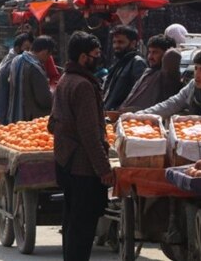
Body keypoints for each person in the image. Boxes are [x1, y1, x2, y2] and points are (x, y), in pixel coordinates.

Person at [47, 31, 113, 261]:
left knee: (72, 224)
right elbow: (89, 133)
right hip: (82, 168)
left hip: (67, 163)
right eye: (95, 54)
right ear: (84, 57)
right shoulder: (83, 85)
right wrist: (104, 169)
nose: (99, 58)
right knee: (82, 228)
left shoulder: (65, 80)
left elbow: (53, 123)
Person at [120, 34, 182, 111]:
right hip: (129, 119)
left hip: (148, 120)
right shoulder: (148, 72)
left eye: (155, 52)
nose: (150, 57)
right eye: (149, 52)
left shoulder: (167, 76)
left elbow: (172, 54)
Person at [6, 35, 55, 123]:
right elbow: (44, 100)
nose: (48, 59)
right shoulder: (35, 68)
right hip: (31, 119)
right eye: (49, 55)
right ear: (45, 52)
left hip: (15, 114)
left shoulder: (16, 60)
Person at [102, 25, 147, 110]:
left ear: (133, 43)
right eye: (114, 42)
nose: (116, 46)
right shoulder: (120, 62)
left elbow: (138, 94)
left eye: (120, 42)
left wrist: (122, 109)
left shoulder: (137, 63)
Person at [0, 33, 34, 125]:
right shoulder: (13, 64)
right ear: (17, 48)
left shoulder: (11, 59)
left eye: (30, 49)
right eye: (26, 48)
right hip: (6, 113)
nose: (29, 52)